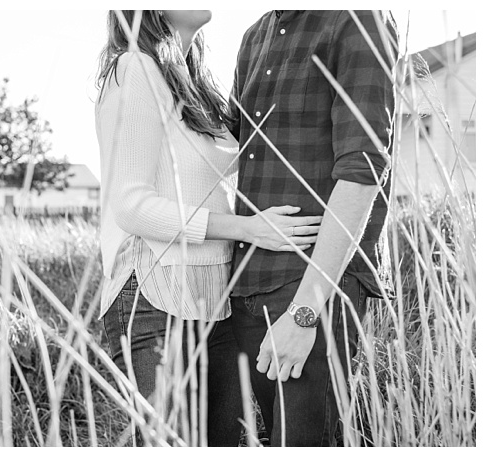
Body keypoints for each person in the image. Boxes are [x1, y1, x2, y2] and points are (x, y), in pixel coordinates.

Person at [95, 10, 323, 446]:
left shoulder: (195, 82)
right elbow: (131, 206)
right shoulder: (134, 67)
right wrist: (248, 229)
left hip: (215, 301)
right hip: (154, 295)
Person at [228, 10, 399, 446]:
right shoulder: (255, 35)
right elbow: (228, 148)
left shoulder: (356, 17)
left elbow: (362, 171)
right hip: (247, 286)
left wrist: (305, 315)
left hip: (313, 289)